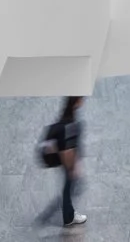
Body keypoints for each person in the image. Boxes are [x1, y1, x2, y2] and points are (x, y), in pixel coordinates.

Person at [37, 94, 86, 228]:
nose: (83, 101)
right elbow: (66, 151)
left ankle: (69, 214)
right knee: (68, 187)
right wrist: (71, 168)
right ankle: (69, 217)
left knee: (69, 187)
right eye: (80, 99)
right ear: (76, 103)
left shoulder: (67, 117)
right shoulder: (70, 125)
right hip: (66, 161)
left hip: (61, 158)